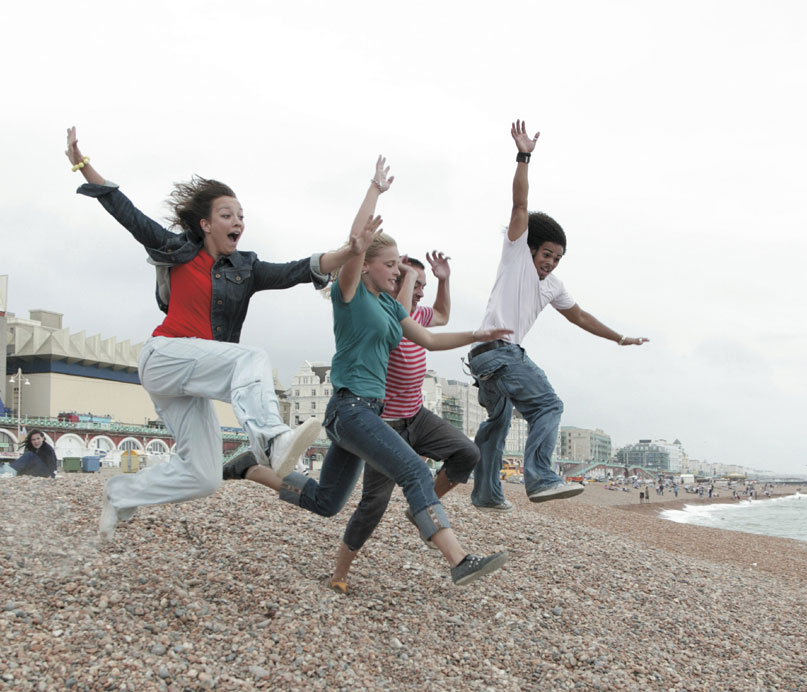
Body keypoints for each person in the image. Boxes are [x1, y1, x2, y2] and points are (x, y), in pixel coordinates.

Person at [225, 161, 510, 587]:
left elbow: (430, 341)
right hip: (350, 409)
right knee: (413, 471)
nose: (398, 270)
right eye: (392, 263)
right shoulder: (351, 293)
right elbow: (356, 245)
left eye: (399, 264)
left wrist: (479, 333)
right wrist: (374, 190)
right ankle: (458, 558)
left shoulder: (392, 307)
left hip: (366, 415)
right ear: (370, 265)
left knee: (326, 502)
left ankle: (250, 469)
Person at [65, 127, 357, 541]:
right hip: (164, 356)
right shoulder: (176, 249)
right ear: (205, 224)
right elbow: (124, 211)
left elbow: (299, 269)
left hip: (190, 381)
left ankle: (122, 492)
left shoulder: (247, 268)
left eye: (240, 215)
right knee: (250, 359)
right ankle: (273, 440)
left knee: (204, 477)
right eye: (226, 214)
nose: (237, 221)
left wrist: (353, 249)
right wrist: (81, 164)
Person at [467, 120, 649, 512]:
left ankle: (486, 493)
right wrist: (523, 156)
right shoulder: (515, 256)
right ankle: (541, 478)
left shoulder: (554, 286)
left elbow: (580, 317)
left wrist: (620, 338)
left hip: (482, 359)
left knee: (497, 426)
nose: (549, 263)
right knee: (548, 406)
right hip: (499, 351)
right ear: (531, 248)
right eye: (546, 253)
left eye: (556, 258)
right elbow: (519, 204)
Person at [326, 252, 481, 593]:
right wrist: (405, 277)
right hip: (385, 423)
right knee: (373, 506)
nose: (420, 291)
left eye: (422, 285)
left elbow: (440, 315)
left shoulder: (417, 312)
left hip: (417, 415)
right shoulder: (386, 311)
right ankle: (339, 571)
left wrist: (444, 280)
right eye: (415, 283)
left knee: (467, 453)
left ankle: (421, 508)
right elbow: (402, 312)